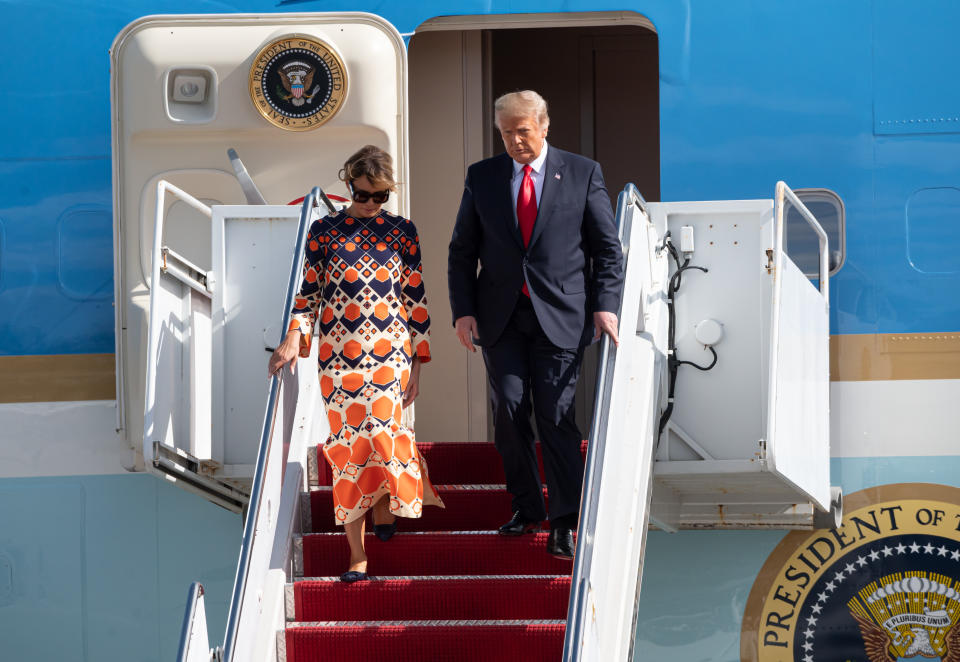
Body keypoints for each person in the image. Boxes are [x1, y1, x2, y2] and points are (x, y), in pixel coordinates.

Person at [447, 91, 623, 560]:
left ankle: (564, 520)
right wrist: (462, 310)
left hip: (562, 315)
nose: (515, 141)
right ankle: (527, 507)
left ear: (544, 126)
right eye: (506, 133)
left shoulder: (582, 172)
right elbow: (462, 250)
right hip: (500, 316)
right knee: (508, 409)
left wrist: (606, 305)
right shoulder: (483, 177)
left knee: (556, 414)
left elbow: (607, 248)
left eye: (522, 131)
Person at [270, 145, 443, 583]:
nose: (371, 204)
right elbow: (308, 295)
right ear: (349, 187)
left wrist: (418, 364)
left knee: (382, 434)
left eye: (381, 196)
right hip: (338, 356)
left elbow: (415, 299)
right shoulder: (324, 232)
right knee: (348, 447)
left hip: (390, 351)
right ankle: (356, 555)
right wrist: (292, 337)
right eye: (365, 195)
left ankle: (386, 502)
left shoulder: (403, 232)